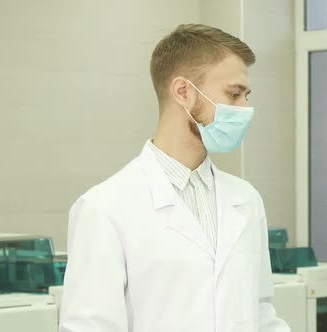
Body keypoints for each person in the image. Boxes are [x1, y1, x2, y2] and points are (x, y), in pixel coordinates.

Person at [59, 23, 291, 332]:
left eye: (246, 95)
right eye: (234, 94)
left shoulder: (246, 199)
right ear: (183, 92)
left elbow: (260, 313)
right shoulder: (105, 208)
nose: (245, 109)